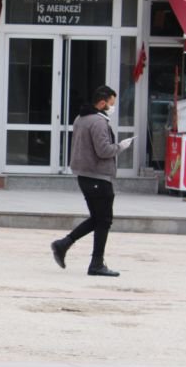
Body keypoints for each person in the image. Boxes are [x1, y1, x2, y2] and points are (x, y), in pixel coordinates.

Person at [51, 85, 134, 277]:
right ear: (103, 102)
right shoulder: (98, 122)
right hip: (98, 177)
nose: (113, 108)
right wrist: (121, 146)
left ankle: (63, 244)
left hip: (86, 176)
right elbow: (103, 150)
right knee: (103, 221)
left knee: (99, 218)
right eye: (111, 104)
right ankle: (96, 264)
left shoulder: (81, 118)